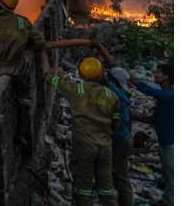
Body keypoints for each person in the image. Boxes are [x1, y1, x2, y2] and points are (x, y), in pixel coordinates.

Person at [41, 50, 120, 206]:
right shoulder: (112, 96)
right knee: (107, 188)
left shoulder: (76, 90)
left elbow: (48, 76)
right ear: (100, 74)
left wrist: (43, 53)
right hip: (105, 147)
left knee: (83, 188)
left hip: (84, 146)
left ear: (81, 74)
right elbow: (115, 124)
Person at [0, 0, 45, 107]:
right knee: (25, 97)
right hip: (19, 69)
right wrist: (22, 44)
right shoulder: (22, 22)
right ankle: (25, 115)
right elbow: (40, 42)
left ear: (0, 6)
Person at [129, 63, 173, 205]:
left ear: (166, 77)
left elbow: (148, 90)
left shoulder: (170, 95)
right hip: (165, 142)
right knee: (168, 176)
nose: (155, 73)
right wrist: (134, 117)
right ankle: (167, 200)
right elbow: (155, 119)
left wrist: (129, 76)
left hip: (171, 144)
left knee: (172, 178)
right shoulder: (165, 97)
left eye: (158, 72)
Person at [105, 66, 133, 206]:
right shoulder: (124, 93)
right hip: (124, 139)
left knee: (121, 177)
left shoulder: (117, 92)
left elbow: (104, 81)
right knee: (117, 175)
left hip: (120, 141)